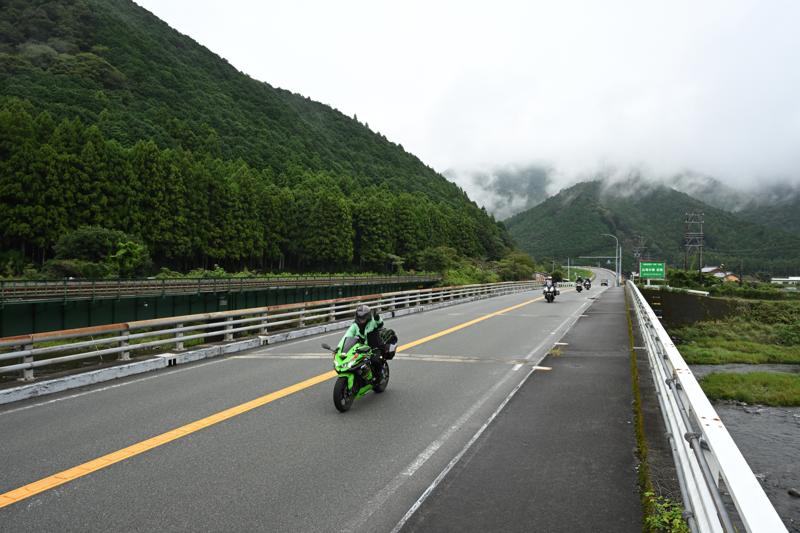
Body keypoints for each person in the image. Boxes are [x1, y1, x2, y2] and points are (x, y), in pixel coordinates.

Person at [337, 304, 397, 376]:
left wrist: (377, 317)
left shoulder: (372, 322)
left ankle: (378, 376)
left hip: (375, 347)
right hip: (361, 348)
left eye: (363, 317)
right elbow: (346, 336)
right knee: (353, 361)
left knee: (375, 360)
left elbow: (380, 324)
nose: (362, 320)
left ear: (368, 316)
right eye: (360, 317)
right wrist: (339, 348)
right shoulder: (354, 325)